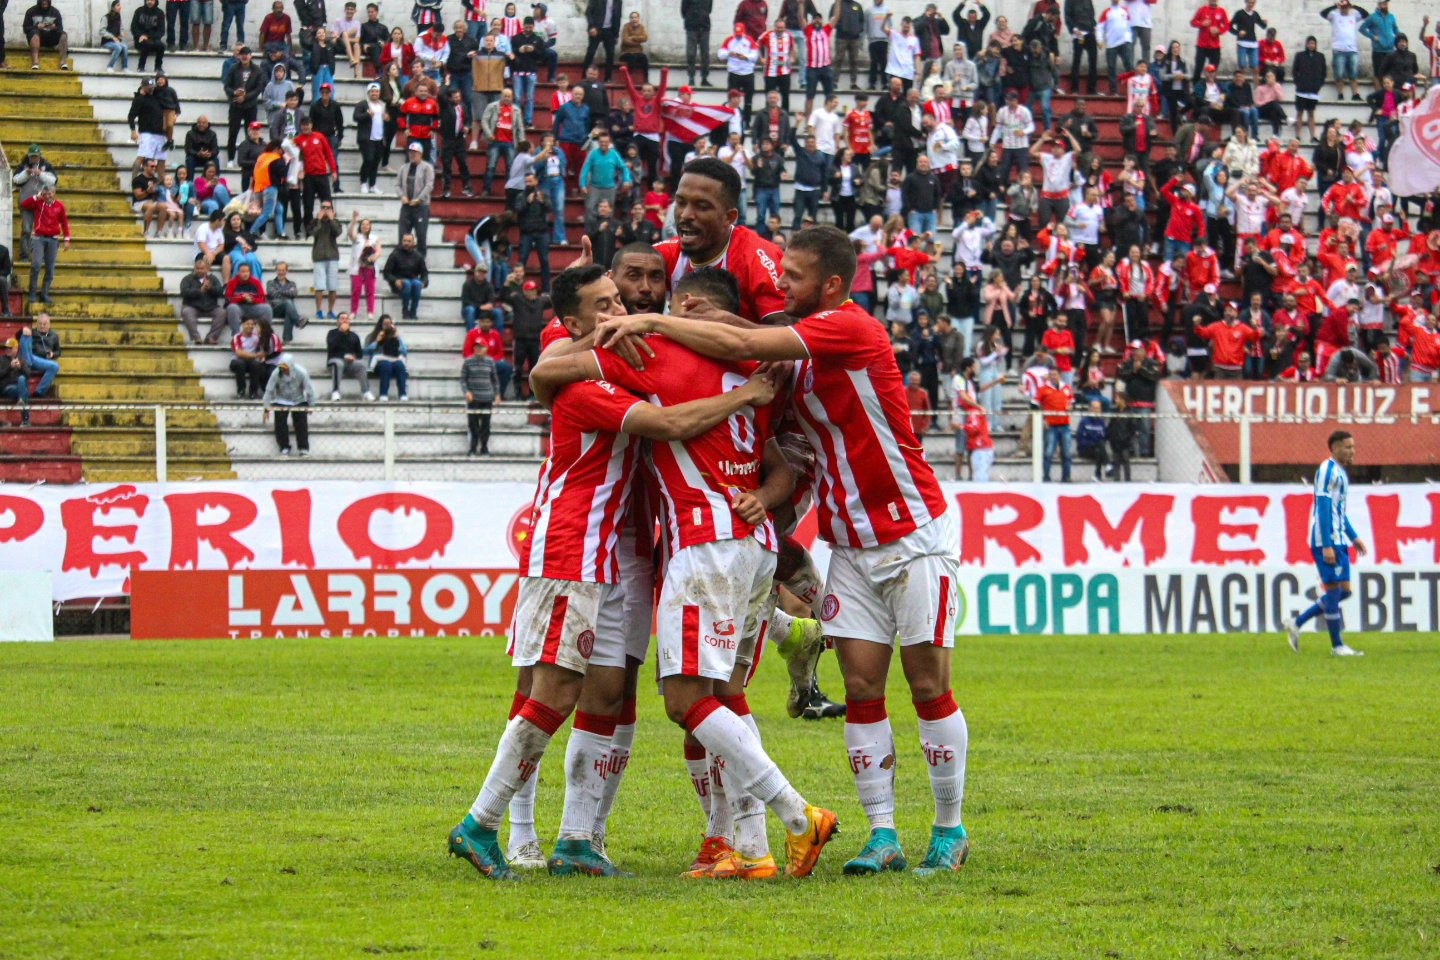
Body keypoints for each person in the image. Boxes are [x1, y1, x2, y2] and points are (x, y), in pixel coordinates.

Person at [594, 225, 968, 876]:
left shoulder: (849, 327)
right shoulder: (791, 349)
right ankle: (882, 836)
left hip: (914, 534)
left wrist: (656, 320)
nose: (779, 283)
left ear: (829, 286)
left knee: (929, 685)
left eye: (791, 276)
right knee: (859, 687)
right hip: (848, 540)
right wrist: (769, 493)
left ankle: (948, 828)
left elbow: (740, 339)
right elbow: (756, 384)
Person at [1283, 431, 1368, 656]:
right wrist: (1328, 544)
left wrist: (1353, 536)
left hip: (1340, 540)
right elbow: (1322, 508)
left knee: (1344, 591)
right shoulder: (1327, 471)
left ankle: (1297, 622)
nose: (1352, 451)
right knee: (1332, 592)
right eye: (1348, 447)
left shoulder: (1340, 473)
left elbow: (1338, 512)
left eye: (1353, 447)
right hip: (1326, 541)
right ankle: (1337, 646)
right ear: (1335, 448)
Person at [21, 184, 69, 306]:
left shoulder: (59, 206)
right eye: (45, 194)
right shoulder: (39, 202)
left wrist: (67, 239)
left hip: (53, 239)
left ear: (54, 193)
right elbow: (24, 205)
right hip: (38, 238)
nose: (48, 196)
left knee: (50, 269)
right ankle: (32, 292)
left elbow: (64, 223)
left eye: (50, 194)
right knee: (36, 264)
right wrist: (36, 197)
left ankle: (44, 294)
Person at [262, 353, 316, 455]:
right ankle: (284, 447)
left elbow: (309, 390)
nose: (283, 370)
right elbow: (269, 390)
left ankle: (303, 448)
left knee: (301, 423)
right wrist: (266, 407)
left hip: (298, 399)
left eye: (285, 368)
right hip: (281, 399)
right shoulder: (276, 373)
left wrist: (311, 405)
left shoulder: (301, 373)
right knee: (280, 422)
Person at [512, 171, 553, 291]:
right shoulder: (521, 196)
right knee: (522, 260)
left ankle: (546, 289)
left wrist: (542, 202)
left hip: (542, 232)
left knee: (544, 261)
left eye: (530, 181)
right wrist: (527, 202)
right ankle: (518, 288)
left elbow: (550, 208)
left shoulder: (543, 194)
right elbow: (518, 210)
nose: (528, 184)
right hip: (526, 233)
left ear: (535, 181)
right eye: (526, 182)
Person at [395, 142, 434, 257]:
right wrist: (402, 196)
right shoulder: (403, 168)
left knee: (421, 236)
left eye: (415, 153)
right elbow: (397, 185)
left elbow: (429, 185)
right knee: (402, 235)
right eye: (410, 152)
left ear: (420, 154)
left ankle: (420, 262)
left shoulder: (427, 168)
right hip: (407, 206)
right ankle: (402, 261)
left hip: (421, 207)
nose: (412, 155)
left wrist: (419, 199)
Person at [461, 342, 499, 455]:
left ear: (486, 348)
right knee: (473, 425)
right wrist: (466, 392)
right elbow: (463, 380)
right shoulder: (467, 362)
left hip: (487, 398)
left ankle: (484, 447)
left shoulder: (490, 362)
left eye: (481, 347)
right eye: (476, 347)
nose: (478, 349)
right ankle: (472, 448)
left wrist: (497, 394)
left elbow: (495, 380)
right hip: (473, 399)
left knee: (486, 425)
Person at [326, 312, 372, 400]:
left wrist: (354, 357)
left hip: (350, 363)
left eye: (346, 319)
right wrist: (340, 333)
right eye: (342, 318)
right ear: (337, 322)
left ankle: (366, 391)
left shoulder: (354, 336)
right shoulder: (332, 333)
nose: (344, 321)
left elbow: (360, 353)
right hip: (335, 361)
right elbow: (331, 348)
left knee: (361, 365)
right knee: (338, 363)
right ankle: (335, 391)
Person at [382, 233, 428, 320]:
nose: (406, 243)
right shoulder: (394, 255)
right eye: (404, 241)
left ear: (413, 243)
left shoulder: (418, 256)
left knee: (417, 284)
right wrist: (395, 280)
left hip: (413, 283)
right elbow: (386, 273)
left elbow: (424, 274)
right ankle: (405, 312)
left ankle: (413, 312)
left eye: (409, 241)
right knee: (407, 283)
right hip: (398, 284)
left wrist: (424, 282)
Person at [365, 315, 409, 400]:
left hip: (394, 359)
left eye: (389, 324)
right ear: (380, 325)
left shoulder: (395, 336)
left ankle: (403, 394)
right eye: (385, 324)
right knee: (386, 365)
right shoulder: (372, 336)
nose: (387, 326)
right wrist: (376, 341)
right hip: (380, 363)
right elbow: (366, 351)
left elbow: (404, 352)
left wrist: (397, 338)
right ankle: (383, 394)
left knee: (400, 365)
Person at [229, 316, 271, 398]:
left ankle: (253, 392)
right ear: (242, 325)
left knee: (256, 364)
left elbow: (263, 350)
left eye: (252, 324)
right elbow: (239, 353)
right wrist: (255, 355)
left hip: (250, 362)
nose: (250, 326)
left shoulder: (256, 337)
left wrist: (261, 355)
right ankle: (241, 390)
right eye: (247, 324)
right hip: (237, 361)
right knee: (240, 363)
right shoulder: (237, 337)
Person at [22, 0, 70, 71]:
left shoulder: (55, 12)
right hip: (36, 38)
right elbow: (25, 28)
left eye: (46, 1)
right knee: (34, 34)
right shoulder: (31, 11)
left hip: (50, 38)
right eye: (42, 1)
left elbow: (60, 28)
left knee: (63, 35)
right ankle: (35, 62)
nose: (44, 2)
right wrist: (36, 27)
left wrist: (54, 27)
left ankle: (63, 62)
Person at [582, 0, 623, 79]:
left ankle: (608, 78)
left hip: (610, 30)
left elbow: (618, 16)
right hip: (596, 29)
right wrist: (592, 26)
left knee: (610, 54)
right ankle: (584, 76)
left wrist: (616, 35)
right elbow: (588, 12)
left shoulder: (618, 1)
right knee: (591, 52)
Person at [267, 260, 305, 342]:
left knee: (289, 309)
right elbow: (272, 294)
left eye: (283, 270)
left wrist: (279, 291)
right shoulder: (270, 283)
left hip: (287, 311)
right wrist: (287, 293)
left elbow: (294, 293)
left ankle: (287, 340)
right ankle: (298, 321)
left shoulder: (292, 284)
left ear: (286, 271)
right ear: (276, 271)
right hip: (275, 309)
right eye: (279, 270)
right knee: (288, 302)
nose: (281, 272)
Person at [0, 338, 32, 426]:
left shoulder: (21, 360)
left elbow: (28, 375)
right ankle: (26, 421)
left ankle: (21, 399)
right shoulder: (1, 360)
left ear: (16, 349)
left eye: (10, 348)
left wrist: (20, 367)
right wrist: (10, 367)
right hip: (7, 388)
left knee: (21, 378)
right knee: (24, 392)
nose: (7, 350)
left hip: (19, 387)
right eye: (6, 348)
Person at [683, 0, 714, 85]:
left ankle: (704, 77)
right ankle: (691, 77)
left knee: (705, 54)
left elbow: (709, 9)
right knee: (691, 54)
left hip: (704, 27)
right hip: (691, 27)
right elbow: (683, 10)